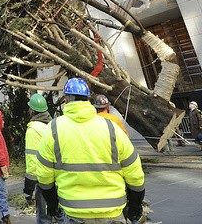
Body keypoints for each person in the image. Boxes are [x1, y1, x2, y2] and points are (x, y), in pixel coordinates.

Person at [35, 78, 144, 224]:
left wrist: (52, 204)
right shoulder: (111, 127)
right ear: (88, 99)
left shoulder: (54, 128)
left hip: (74, 212)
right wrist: (135, 205)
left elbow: (44, 175)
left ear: (66, 99)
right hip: (113, 212)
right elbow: (134, 172)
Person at [23, 93, 52, 224]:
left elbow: (32, 161)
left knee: (43, 218)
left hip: (43, 180)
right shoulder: (52, 126)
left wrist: (28, 191)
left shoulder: (33, 130)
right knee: (56, 215)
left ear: (32, 111)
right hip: (58, 179)